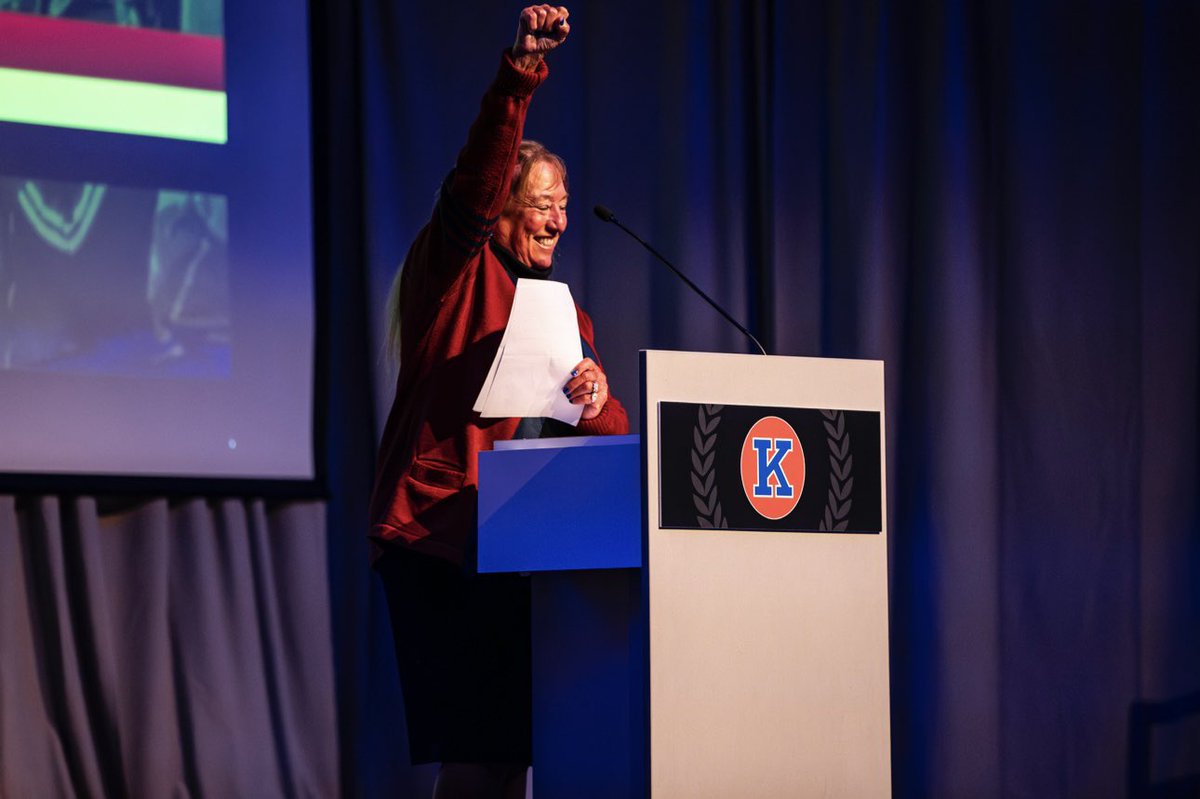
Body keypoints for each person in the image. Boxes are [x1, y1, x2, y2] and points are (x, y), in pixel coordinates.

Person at [368, 6, 629, 797]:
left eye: (564, 203)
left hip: (518, 550)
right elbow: (478, 174)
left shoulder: (563, 311)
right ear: (502, 208)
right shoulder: (455, 270)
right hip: (439, 539)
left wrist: (596, 397)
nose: (558, 218)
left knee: (514, 750)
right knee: (476, 750)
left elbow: (611, 433)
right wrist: (520, 75)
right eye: (541, 201)